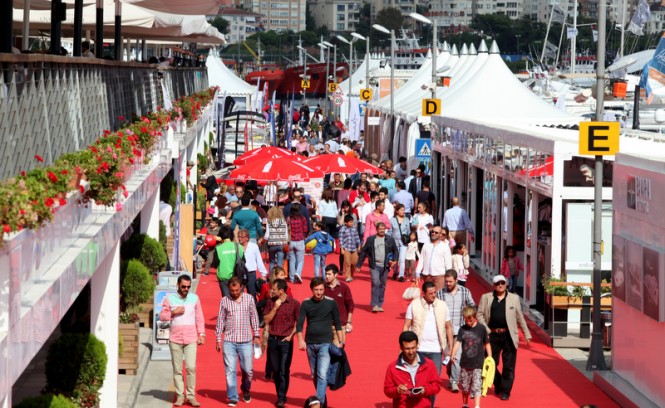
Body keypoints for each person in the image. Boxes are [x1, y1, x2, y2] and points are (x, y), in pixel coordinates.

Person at [477, 275, 532, 401]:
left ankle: (506, 391)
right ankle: (499, 383)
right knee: (490, 363)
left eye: (502, 283)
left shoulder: (514, 298)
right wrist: (486, 329)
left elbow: (520, 317)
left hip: (509, 335)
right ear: (493, 285)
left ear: (506, 284)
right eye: (497, 283)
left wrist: (527, 334)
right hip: (492, 335)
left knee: (509, 366)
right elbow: (479, 315)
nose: (500, 285)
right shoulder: (486, 297)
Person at [403, 281, 454, 407]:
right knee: (416, 380)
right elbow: (406, 326)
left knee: (433, 383)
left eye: (435, 292)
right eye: (430, 293)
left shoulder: (442, 306)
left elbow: (448, 327)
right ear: (423, 293)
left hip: (436, 351)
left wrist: (450, 347)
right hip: (418, 350)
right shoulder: (414, 305)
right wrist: (402, 346)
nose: (433, 295)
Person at [297, 277, 344, 407]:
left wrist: (341, 341)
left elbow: (338, 323)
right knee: (315, 376)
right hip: (310, 344)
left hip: (326, 344)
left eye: (321, 289)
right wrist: (300, 340)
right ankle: (322, 400)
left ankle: (319, 404)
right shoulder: (306, 304)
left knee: (322, 374)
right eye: (316, 290)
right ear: (311, 289)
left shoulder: (331, 303)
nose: (319, 292)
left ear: (324, 289)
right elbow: (300, 324)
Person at [215, 277, 262, 406]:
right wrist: (218, 338)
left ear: (241, 287)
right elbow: (220, 320)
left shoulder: (249, 299)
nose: (234, 292)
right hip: (229, 341)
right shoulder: (224, 301)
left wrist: (256, 334)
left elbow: (254, 317)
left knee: (248, 370)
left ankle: (245, 388)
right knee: (230, 370)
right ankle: (232, 396)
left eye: (236, 290)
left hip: (246, 340)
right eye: (232, 290)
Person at [159, 275, 204, 407]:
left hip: (191, 338)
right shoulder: (170, 299)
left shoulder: (194, 298)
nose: (186, 289)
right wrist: (174, 312)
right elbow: (162, 316)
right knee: (177, 369)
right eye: (183, 286)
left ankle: (191, 396)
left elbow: (199, 317)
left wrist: (202, 334)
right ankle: (180, 396)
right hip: (175, 339)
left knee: (191, 368)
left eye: (189, 287)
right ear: (178, 285)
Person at [263, 278, 300, 408]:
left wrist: (291, 336)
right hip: (273, 340)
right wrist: (275, 308)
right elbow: (266, 320)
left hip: (286, 341)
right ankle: (280, 393)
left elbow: (299, 323)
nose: (271, 291)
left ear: (281, 291)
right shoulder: (270, 302)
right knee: (276, 370)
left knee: (284, 370)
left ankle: (281, 397)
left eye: (273, 289)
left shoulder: (294, 303)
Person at [437, 269, 476, 393]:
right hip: (444, 331)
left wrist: (469, 317)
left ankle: (454, 381)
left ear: (456, 280)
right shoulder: (440, 294)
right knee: (448, 358)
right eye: (446, 281)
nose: (447, 284)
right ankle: (451, 376)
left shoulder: (465, 292)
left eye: (450, 281)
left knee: (457, 357)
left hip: (460, 330)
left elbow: (472, 306)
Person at [383, 331, 442, 408]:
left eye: (413, 348)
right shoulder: (393, 368)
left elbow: (437, 385)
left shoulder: (429, 364)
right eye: (407, 349)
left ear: (417, 345)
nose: (411, 352)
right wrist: (397, 390)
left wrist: (425, 390)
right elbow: (387, 390)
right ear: (401, 348)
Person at [450, 306, 492, 408]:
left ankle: (477, 406)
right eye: (466, 320)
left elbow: (487, 343)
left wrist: (490, 357)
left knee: (477, 386)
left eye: (471, 320)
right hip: (465, 363)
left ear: (475, 317)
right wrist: (453, 354)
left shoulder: (481, 329)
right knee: (465, 387)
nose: (469, 322)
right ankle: (465, 404)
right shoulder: (462, 329)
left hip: (478, 363)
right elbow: (458, 342)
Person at [357, 222, 398, 313]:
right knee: (375, 282)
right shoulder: (371, 239)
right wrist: (359, 265)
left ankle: (380, 304)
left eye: (383, 228)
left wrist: (395, 260)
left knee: (382, 284)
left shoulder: (390, 239)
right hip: (374, 265)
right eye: (380, 229)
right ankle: (374, 304)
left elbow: (395, 250)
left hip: (386, 266)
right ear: (377, 229)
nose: (382, 230)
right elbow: (364, 252)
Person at [324, 264, 355, 344]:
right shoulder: (322, 288)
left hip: (340, 325)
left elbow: (350, 306)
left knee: (337, 352)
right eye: (326, 274)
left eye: (329, 274)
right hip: (325, 325)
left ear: (336, 274)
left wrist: (349, 322)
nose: (327, 276)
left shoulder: (344, 288)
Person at [416, 226, 452, 291]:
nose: (433, 233)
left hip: (440, 275)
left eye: (436, 232)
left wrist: (448, 276)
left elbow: (448, 263)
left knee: (438, 296)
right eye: (432, 232)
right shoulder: (426, 245)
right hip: (427, 275)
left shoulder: (445, 247)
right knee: (428, 296)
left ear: (440, 234)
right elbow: (421, 259)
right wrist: (418, 272)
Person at [237, 228, 268, 299]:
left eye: (241, 237)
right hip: (240, 273)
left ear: (247, 238)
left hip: (251, 273)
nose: (239, 239)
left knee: (252, 294)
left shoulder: (254, 246)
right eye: (238, 237)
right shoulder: (237, 247)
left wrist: (263, 274)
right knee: (239, 294)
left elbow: (259, 260)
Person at [211, 225, 241, 297]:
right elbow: (243, 261)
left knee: (227, 300)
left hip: (224, 278)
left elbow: (215, 265)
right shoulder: (239, 247)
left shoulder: (218, 249)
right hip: (237, 276)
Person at [286, 203, 309, 283]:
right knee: (300, 260)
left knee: (292, 260)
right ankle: (298, 273)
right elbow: (305, 229)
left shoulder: (288, 218)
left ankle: (292, 278)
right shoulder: (302, 218)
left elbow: (286, 229)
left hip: (291, 241)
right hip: (299, 240)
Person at [264, 206, 289, 271]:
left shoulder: (269, 222)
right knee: (280, 262)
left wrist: (263, 241)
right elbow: (286, 234)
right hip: (281, 244)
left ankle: (272, 276)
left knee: (272, 262)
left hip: (271, 244)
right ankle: (279, 276)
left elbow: (267, 235)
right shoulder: (283, 222)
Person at [338, 214, 361, 282]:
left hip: (354, 248)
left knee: (354, 263)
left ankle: (351, 275)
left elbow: (357, 238)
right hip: (346, 248)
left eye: (352, 222)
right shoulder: (342, 229)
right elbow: (341, 240)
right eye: (350, 222)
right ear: (346, 222)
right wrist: (342, 249)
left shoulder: (354, 229)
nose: (352, 223)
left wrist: (359, 246)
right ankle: (347, 277)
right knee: (347, 262)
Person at [391, 204, 411, 282]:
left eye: (403, 210)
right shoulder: (392, 220)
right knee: (395, 259)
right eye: (401, 210)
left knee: (402, 259)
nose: (403, 211)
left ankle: (401, 275)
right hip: (394, 242)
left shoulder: (406, 220)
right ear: (397, 211)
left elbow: (408, 231)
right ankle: (395, 272)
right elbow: (390, 231)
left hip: (403, 242)